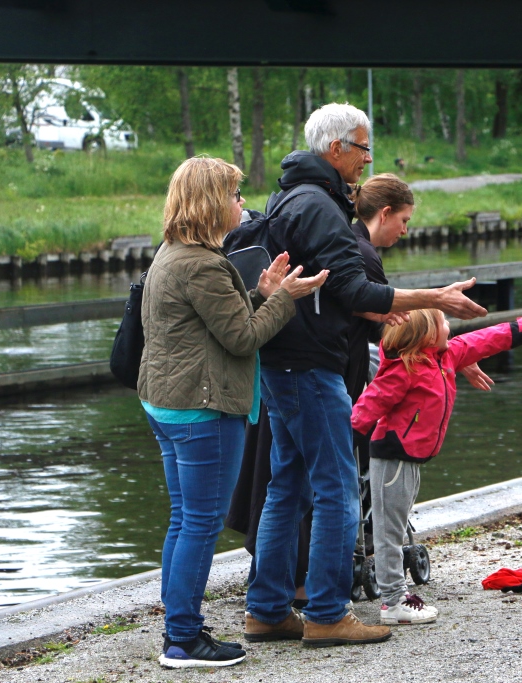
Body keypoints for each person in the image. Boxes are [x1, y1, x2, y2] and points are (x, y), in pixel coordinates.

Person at [245, 103, 487, 648]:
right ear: (335, 149)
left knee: (287, 487)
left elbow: (339, 291)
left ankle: (267, 609)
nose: (367, 159)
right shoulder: (320, 205)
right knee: (336, 489)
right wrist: (437, 298)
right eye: (362, 147)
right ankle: (328, 612)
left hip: (280, 361)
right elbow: (355, 292)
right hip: (312, 365)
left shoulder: (288, 196)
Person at [139, 156, 328, 668]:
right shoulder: (203, 263)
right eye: (233, 195)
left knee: (184, 519)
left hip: (166, 403)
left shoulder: (173, 253)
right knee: (201, 524)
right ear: (210, 203)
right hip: (202, 411)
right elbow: (243, 339)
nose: (241, 203)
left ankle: (179, 624)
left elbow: (215, 317)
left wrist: (259, 293)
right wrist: (283, 299)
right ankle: (182, 639)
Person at [352, 303, 522, 624]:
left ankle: (396, 598)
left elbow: (484, 339)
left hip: (411, 459)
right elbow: (366, 408)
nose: (449, 325)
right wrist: (339, 443)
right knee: (389, 532)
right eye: (443, 321)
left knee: (396, 526)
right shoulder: (402, 369)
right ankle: (393, 602)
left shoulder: (446, 356)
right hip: (392, 458)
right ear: (426, 334)